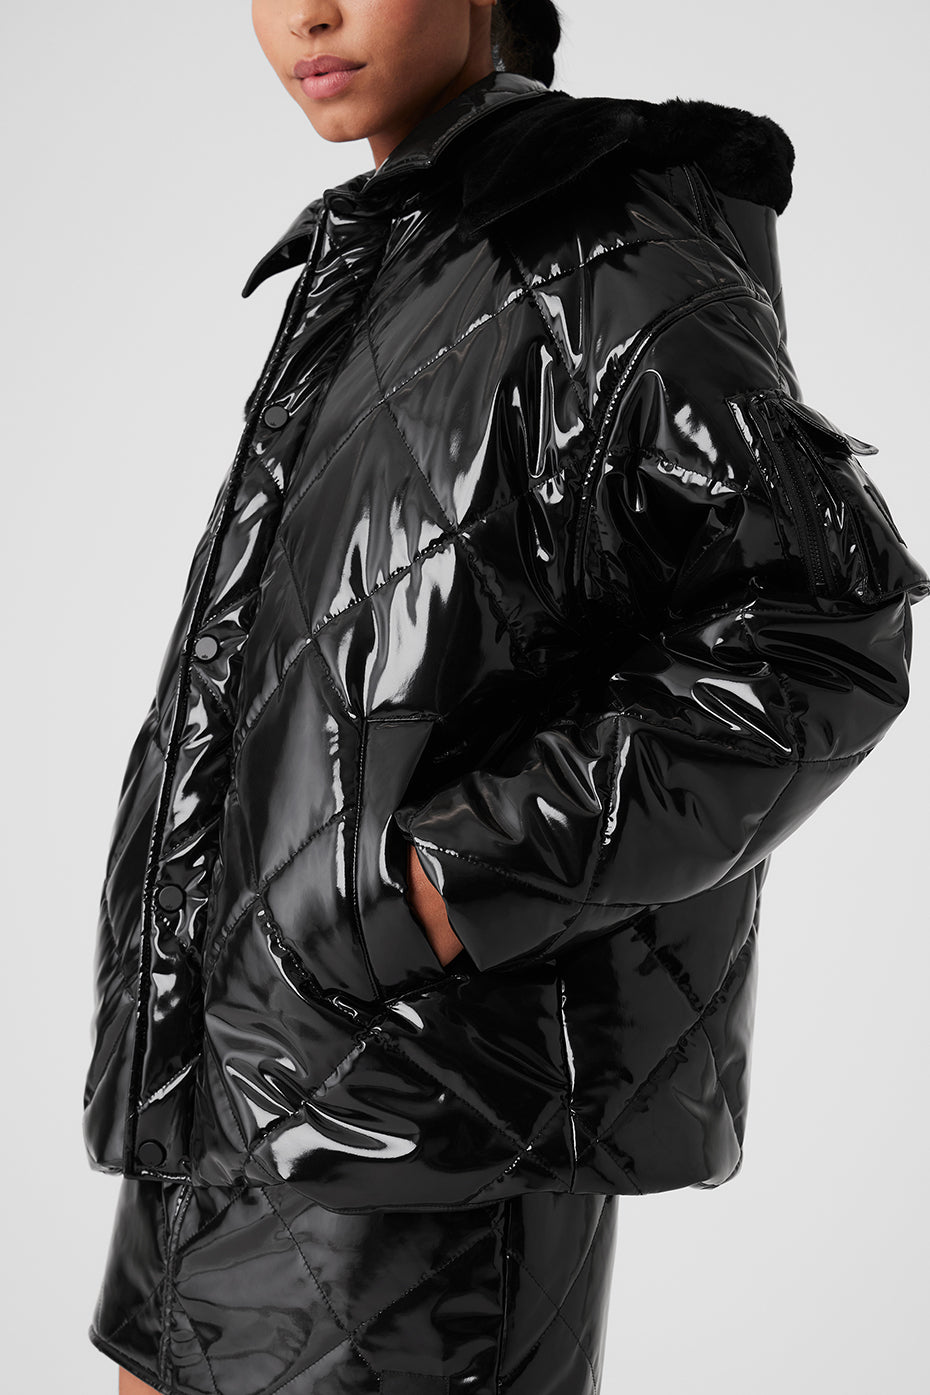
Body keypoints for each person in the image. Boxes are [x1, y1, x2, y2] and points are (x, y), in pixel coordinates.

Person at [83, 3, 929, 1393]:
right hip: (222, 1094)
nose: (307, 13)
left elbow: (820, 626)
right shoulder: (405, 250)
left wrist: (442, 882)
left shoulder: (599, 249)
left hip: (421, 1115)